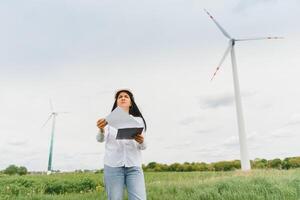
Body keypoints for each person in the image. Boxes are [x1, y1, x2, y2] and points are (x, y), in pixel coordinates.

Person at [96, 89, 147, 200]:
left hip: (134, 166)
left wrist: (141, 141)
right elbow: (100, 140)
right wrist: (101, 130)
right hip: (113, 166)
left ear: (131, 103)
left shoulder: (139, 120)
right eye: (120, 97)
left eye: (126, 96)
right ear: (117, 102)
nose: (123, 98)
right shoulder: (107, 121)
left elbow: (143, 147)